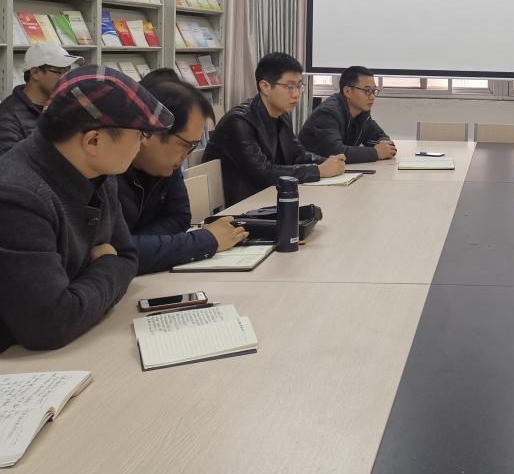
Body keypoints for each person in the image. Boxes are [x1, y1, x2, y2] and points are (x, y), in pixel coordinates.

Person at [0, 65, 174, 353]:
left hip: (78, 344)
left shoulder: (98, 171)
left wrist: (86, 285)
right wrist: (107, 264)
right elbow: (50, 324)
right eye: (141, 133)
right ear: (93, 140)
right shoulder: (17, 197)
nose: (144, 144)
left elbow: (128, 256)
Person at [119, 74, 248, 274]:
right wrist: (204, 241)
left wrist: (138, 244)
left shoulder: (166, 165)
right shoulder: (106, 172)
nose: (187, 156)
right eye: (186, 145)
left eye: (193, 146)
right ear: (149, 131)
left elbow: (179, 217)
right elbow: (113, 252)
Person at [202, 52, 346, 205]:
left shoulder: (282, 115)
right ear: (265, 86)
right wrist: (319, 170)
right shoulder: (239, 121)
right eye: (289, 87)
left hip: (268, 196)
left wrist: (330, 162)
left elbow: (296, 154)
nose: (296, 94)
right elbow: (263, 173)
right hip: (242, 205)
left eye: (299, 86)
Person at [298, 65, 397, 163]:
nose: (372, 97)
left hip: (336, 170)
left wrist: (385, 145)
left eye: (373, 91)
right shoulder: (327, 113)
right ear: (347, 91)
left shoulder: (362, 112)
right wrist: (376, 152)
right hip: (310, 169)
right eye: (367, 91)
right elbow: (336, 152)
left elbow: (379, 136)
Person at [0, 43, 83, 156]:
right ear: (35, 72)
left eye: (68, 71)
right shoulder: (8, 117)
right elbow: (9, 163)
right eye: (60, 71)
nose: (66, 78)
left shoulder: (65, 105)